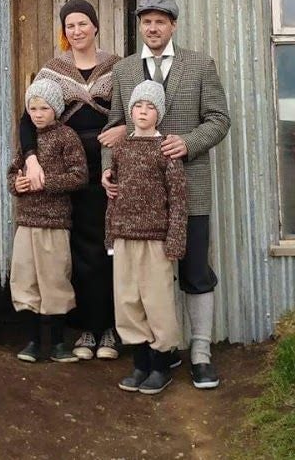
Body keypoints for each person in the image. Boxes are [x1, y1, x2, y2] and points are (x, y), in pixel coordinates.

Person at [102, 0, 230, 389]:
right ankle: (159, 354)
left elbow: (219, 119)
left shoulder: (200, 64)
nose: (153, 28)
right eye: (146, 22)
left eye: (160, 21)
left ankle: (201, 353)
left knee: (193, 271)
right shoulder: (124, 71)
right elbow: (115, 126)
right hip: (138, 201)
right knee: (145, 281)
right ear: (139, 27)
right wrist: (109, 171)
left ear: (173, 25)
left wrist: (188, 143)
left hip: (188, 188)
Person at [17, 0, 123, 360]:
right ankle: (83, 331)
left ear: (95, 26)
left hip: (108, 170)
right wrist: (31, 160)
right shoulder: (52, 71)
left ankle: (108, 329)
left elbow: (133, 111)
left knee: (107, 247)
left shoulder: (118, 67)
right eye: (70, 26)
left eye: (82, 23)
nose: (77, 31)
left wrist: (120, 133)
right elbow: (26, 120)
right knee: (72, 252)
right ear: (64, 33)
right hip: (64, 172)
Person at [104, 80, 187, 395]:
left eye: (150, 106)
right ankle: (140, 364)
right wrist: (110, 233)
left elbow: (178, 199)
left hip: (155, 239)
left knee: (157, 301)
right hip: (124, 235)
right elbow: (114, 192)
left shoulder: (166, 149)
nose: (143, 111)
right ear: (130, 110)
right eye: (138, 105)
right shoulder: (122, 147)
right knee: (128, 300)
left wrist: (175, 238)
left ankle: (160, 365)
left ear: (159, 113)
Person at [8, 81, 89, 363]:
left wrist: (45, 183)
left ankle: (57, 344)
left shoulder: (67, 138)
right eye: (33, 108)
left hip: (54, 224)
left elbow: (80, 176)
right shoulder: (27, 143)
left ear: (56, 109)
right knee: (25, 279)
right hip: (26, 222)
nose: (38, 114)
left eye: (44, 108)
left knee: (55, 280)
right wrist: (17, 183)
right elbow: (12, 172)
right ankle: (32, 342)